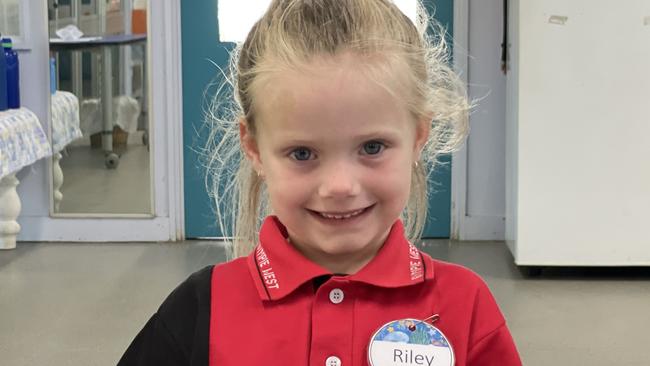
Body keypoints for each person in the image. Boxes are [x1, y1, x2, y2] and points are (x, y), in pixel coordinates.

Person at [118, 0, 522, 365]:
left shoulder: (465, 307)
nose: (340, 186)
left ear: (418, 136)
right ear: (255, 148)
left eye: (373, 146)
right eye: (302, 154)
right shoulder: (200, 310)